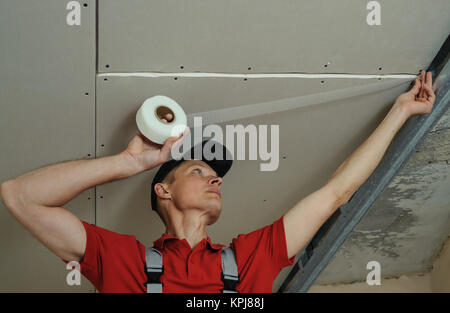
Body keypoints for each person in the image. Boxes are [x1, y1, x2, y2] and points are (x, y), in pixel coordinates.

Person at [0, 71, 435, 293]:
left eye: (215, 176)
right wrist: (128, 161)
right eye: (199, 171)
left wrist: (400, 112)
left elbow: (337, 192)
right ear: (162, 190)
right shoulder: (121, 261)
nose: (215, 180)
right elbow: (19, 196)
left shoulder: (248, 260)